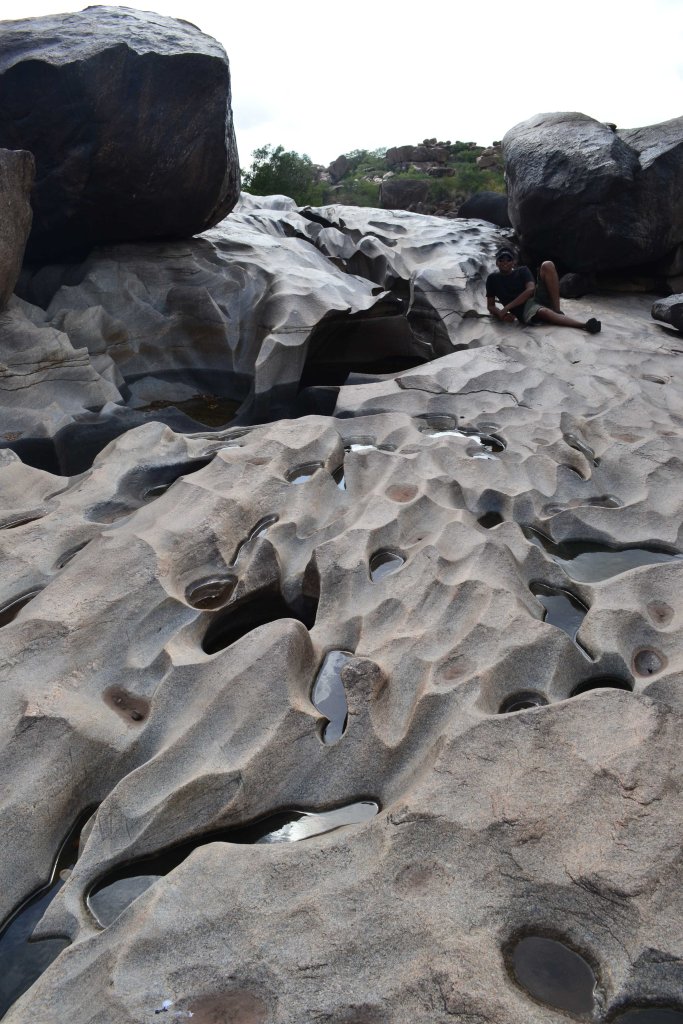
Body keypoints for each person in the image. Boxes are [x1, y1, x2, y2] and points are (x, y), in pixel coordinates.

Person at [486, 247, 601, 334]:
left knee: (547, 265)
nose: (505, 262)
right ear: (497, 262)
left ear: (513, 262)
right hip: (525, 308)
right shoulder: (492, 279)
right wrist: (500, 314)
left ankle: (557, 311)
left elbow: (531, 289)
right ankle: (584, 325)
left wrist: (506, 308)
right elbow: (490, 305)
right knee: (543, 311)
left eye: (508, 259)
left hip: (536, 296)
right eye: (501, 260)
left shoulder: (522, 270)